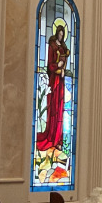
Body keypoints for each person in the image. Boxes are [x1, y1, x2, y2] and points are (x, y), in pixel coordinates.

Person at [35, 20, 71, 152]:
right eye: (59, 34)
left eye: (62, 35)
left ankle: (58, 140)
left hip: (60, 81)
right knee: (53, 109)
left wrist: (63, 68)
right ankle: (51, 137)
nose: (61, 37)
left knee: (60, 109)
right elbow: (50, 65)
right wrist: (57, 67)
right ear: (57, 33)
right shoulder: (52, 45)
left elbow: (65, 58)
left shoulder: (63, 47)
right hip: (53, 81)